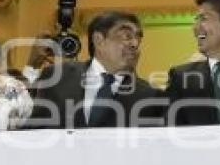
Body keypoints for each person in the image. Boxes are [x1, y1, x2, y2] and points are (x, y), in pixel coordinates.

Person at [28, 11, 163, 128]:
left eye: (138, 38)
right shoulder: (57, 77)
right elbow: (27, 127)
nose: (134, 44)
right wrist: (31, 66)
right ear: (99, 40)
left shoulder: (151, 97)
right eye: (126, 36)